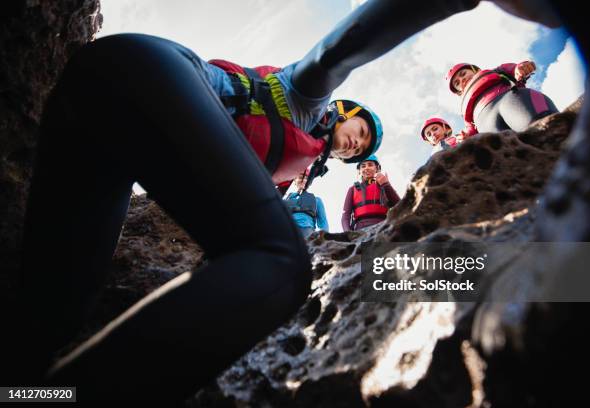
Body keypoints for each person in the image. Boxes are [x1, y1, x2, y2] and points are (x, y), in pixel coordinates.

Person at [3, 0, 481, 404]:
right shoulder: (308, 98)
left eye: (359, 148)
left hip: (96, 123)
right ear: (342, 112)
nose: (355, 145)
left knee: (52, 323)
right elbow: (339, 50)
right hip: (140, 72)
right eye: (358, 132)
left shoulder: (293, 170)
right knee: (282, 261)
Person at [446, 60, 558, 137]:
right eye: (457, 83)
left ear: (474, 70)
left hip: (510, 100)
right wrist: (466, 136)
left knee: (540, 128)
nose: (462, 80)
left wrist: (520, 69)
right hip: (485, 124)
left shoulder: (495, 71)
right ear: (459, 91)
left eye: (463, 73)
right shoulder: (464, 110)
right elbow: (471, 128)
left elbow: (512, 69)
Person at [341, 155, 401, 231]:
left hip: (384, 227)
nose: (366, 168)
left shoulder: (384, 185)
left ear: (377, 169)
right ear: (359, 171)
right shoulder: (352, 189)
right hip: (360, 229)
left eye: (370, 165)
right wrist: (347, 232)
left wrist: (386, 185)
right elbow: (346, 214)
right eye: (363, 166)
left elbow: (400, 205)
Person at [284, 170, 329, 238]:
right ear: (294, 181)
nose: (304, 180)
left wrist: (325, 239)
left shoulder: (316, 200)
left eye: (306, 178)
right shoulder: (285, 199)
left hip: (306, 231)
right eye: (301, 177)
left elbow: (323, 223)